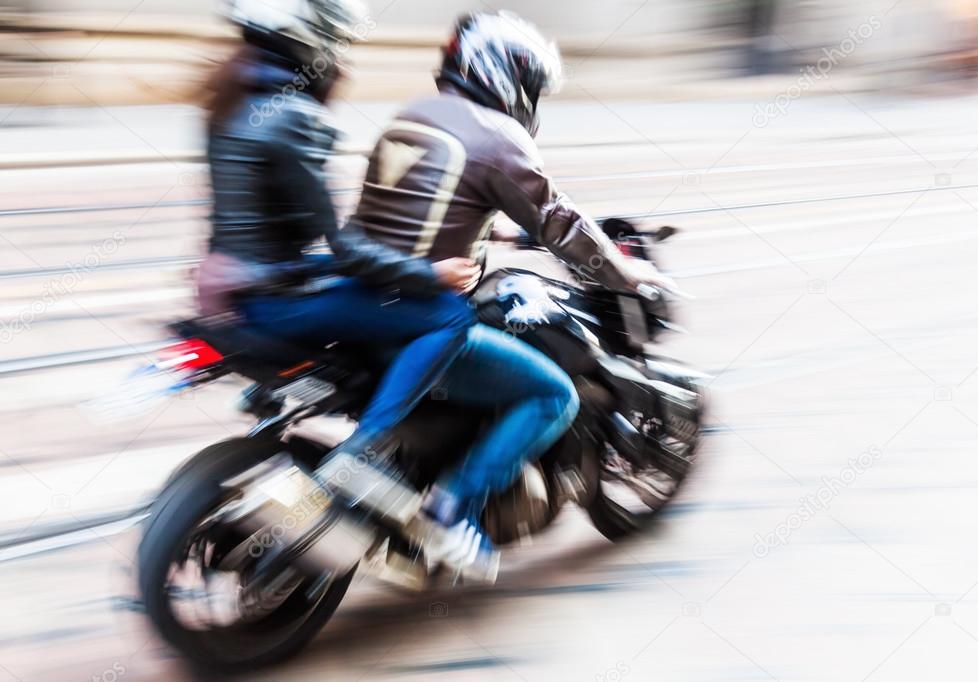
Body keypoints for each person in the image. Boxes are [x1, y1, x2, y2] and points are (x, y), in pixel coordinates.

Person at [324, 11, 675, 579]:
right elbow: (559, 221)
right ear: (507, 77)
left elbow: (424, 206)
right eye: (531, 87)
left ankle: (409, 508)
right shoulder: (496, 135)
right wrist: (625, 273)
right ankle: (452, 507)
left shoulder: (414, 115)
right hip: (420, 322)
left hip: (361, 304)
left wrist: (498, 228)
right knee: (552, 395)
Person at [196, 0, 481, 462]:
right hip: (277, 299)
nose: (342, 60)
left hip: (236, 290)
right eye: (338, 45)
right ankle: (367, 447)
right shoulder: (294, 116)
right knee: (448, 315)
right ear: (311, 41)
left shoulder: (228, 98)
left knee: (371, 284)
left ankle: (272, 398)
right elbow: (345, 250)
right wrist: (433, 275)